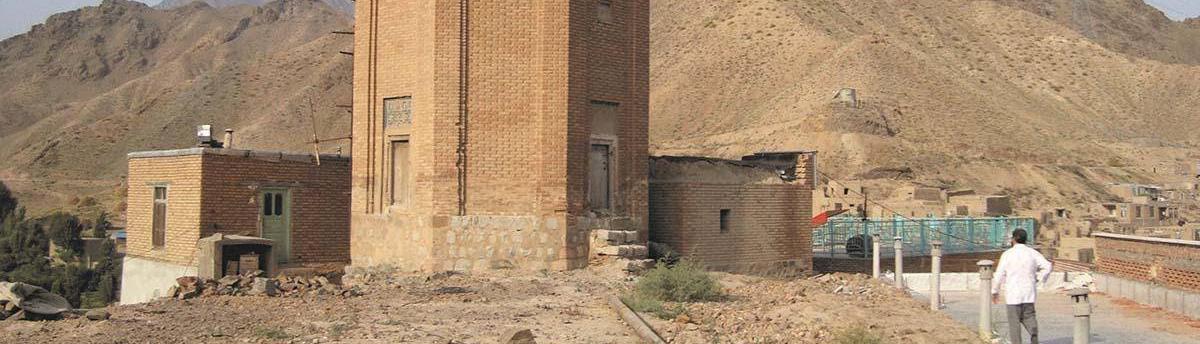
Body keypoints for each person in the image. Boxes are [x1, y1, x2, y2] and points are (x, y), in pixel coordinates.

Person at [991, 228, 1052, 344]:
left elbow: (999, 274)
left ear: (1013, 239)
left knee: (1014, 325)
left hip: (1013, 296)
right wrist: (1039, 278)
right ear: (1025, 239)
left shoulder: (1007, 254)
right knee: (1029, 317)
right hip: (1028, 294)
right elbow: (1047, 266)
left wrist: (995, 291)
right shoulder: (1032, 253)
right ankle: (1033, 330)